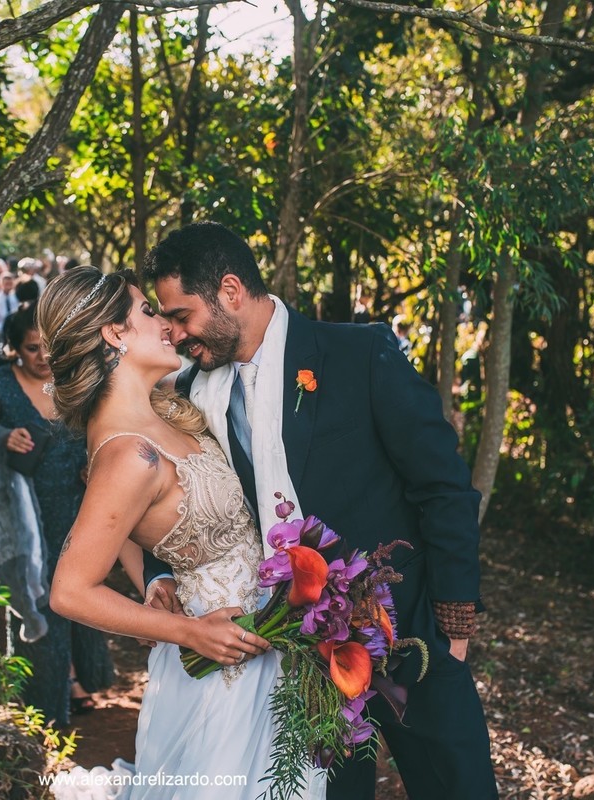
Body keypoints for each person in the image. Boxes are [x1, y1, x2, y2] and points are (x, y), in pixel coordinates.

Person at [141, 222, 497, 800]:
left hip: (404, 630)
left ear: (230, 291)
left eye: (182, 315)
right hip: (293, 653)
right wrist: (161, 572)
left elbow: (445, 488)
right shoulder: (188, 388)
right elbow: (163, 493)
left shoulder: (359, 354)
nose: (176, 333)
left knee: (454, 785)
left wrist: (453, 625)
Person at [37, 266, 320, 798]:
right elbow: (69, 591)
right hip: (223, 661)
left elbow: (124, 525)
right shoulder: (129, 454)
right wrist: (190, 632)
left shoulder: (164, 411)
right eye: (148, 311)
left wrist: (151, 576)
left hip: (266, 637)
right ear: (114, 334)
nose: (166, 323)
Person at [0, 302, 115, 728]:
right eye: (32, 349)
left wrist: (96, 464)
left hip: (77, 504)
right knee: (37, 594)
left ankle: (75, 675)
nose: (43, 358)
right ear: (13, 348)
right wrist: (1, 437)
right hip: (25, 512)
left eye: (49, 347)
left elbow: (103, 429)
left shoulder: (72, 381)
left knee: (79, 587)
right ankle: (46, 698)